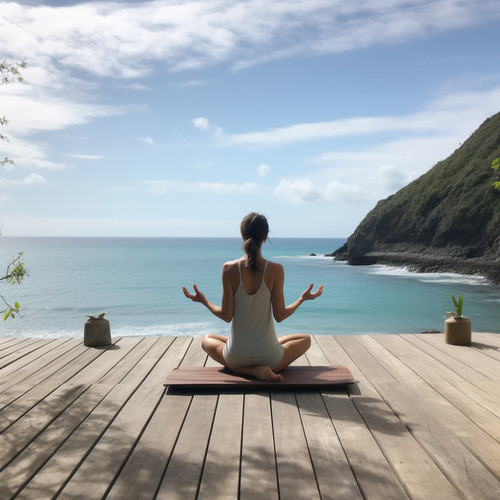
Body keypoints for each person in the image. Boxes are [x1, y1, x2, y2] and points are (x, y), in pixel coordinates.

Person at [182, 212, 323, 381]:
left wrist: (203, 301)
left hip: (235, 358)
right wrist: (302, 299)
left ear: (242, 235)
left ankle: (249, 371)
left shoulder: (228, 268)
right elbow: (280, 316)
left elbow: (226, 316)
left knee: (207, 339)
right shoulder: (276, 270)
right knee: (305, 339)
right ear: (265, 237)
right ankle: (260, 368)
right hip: (271, 360)